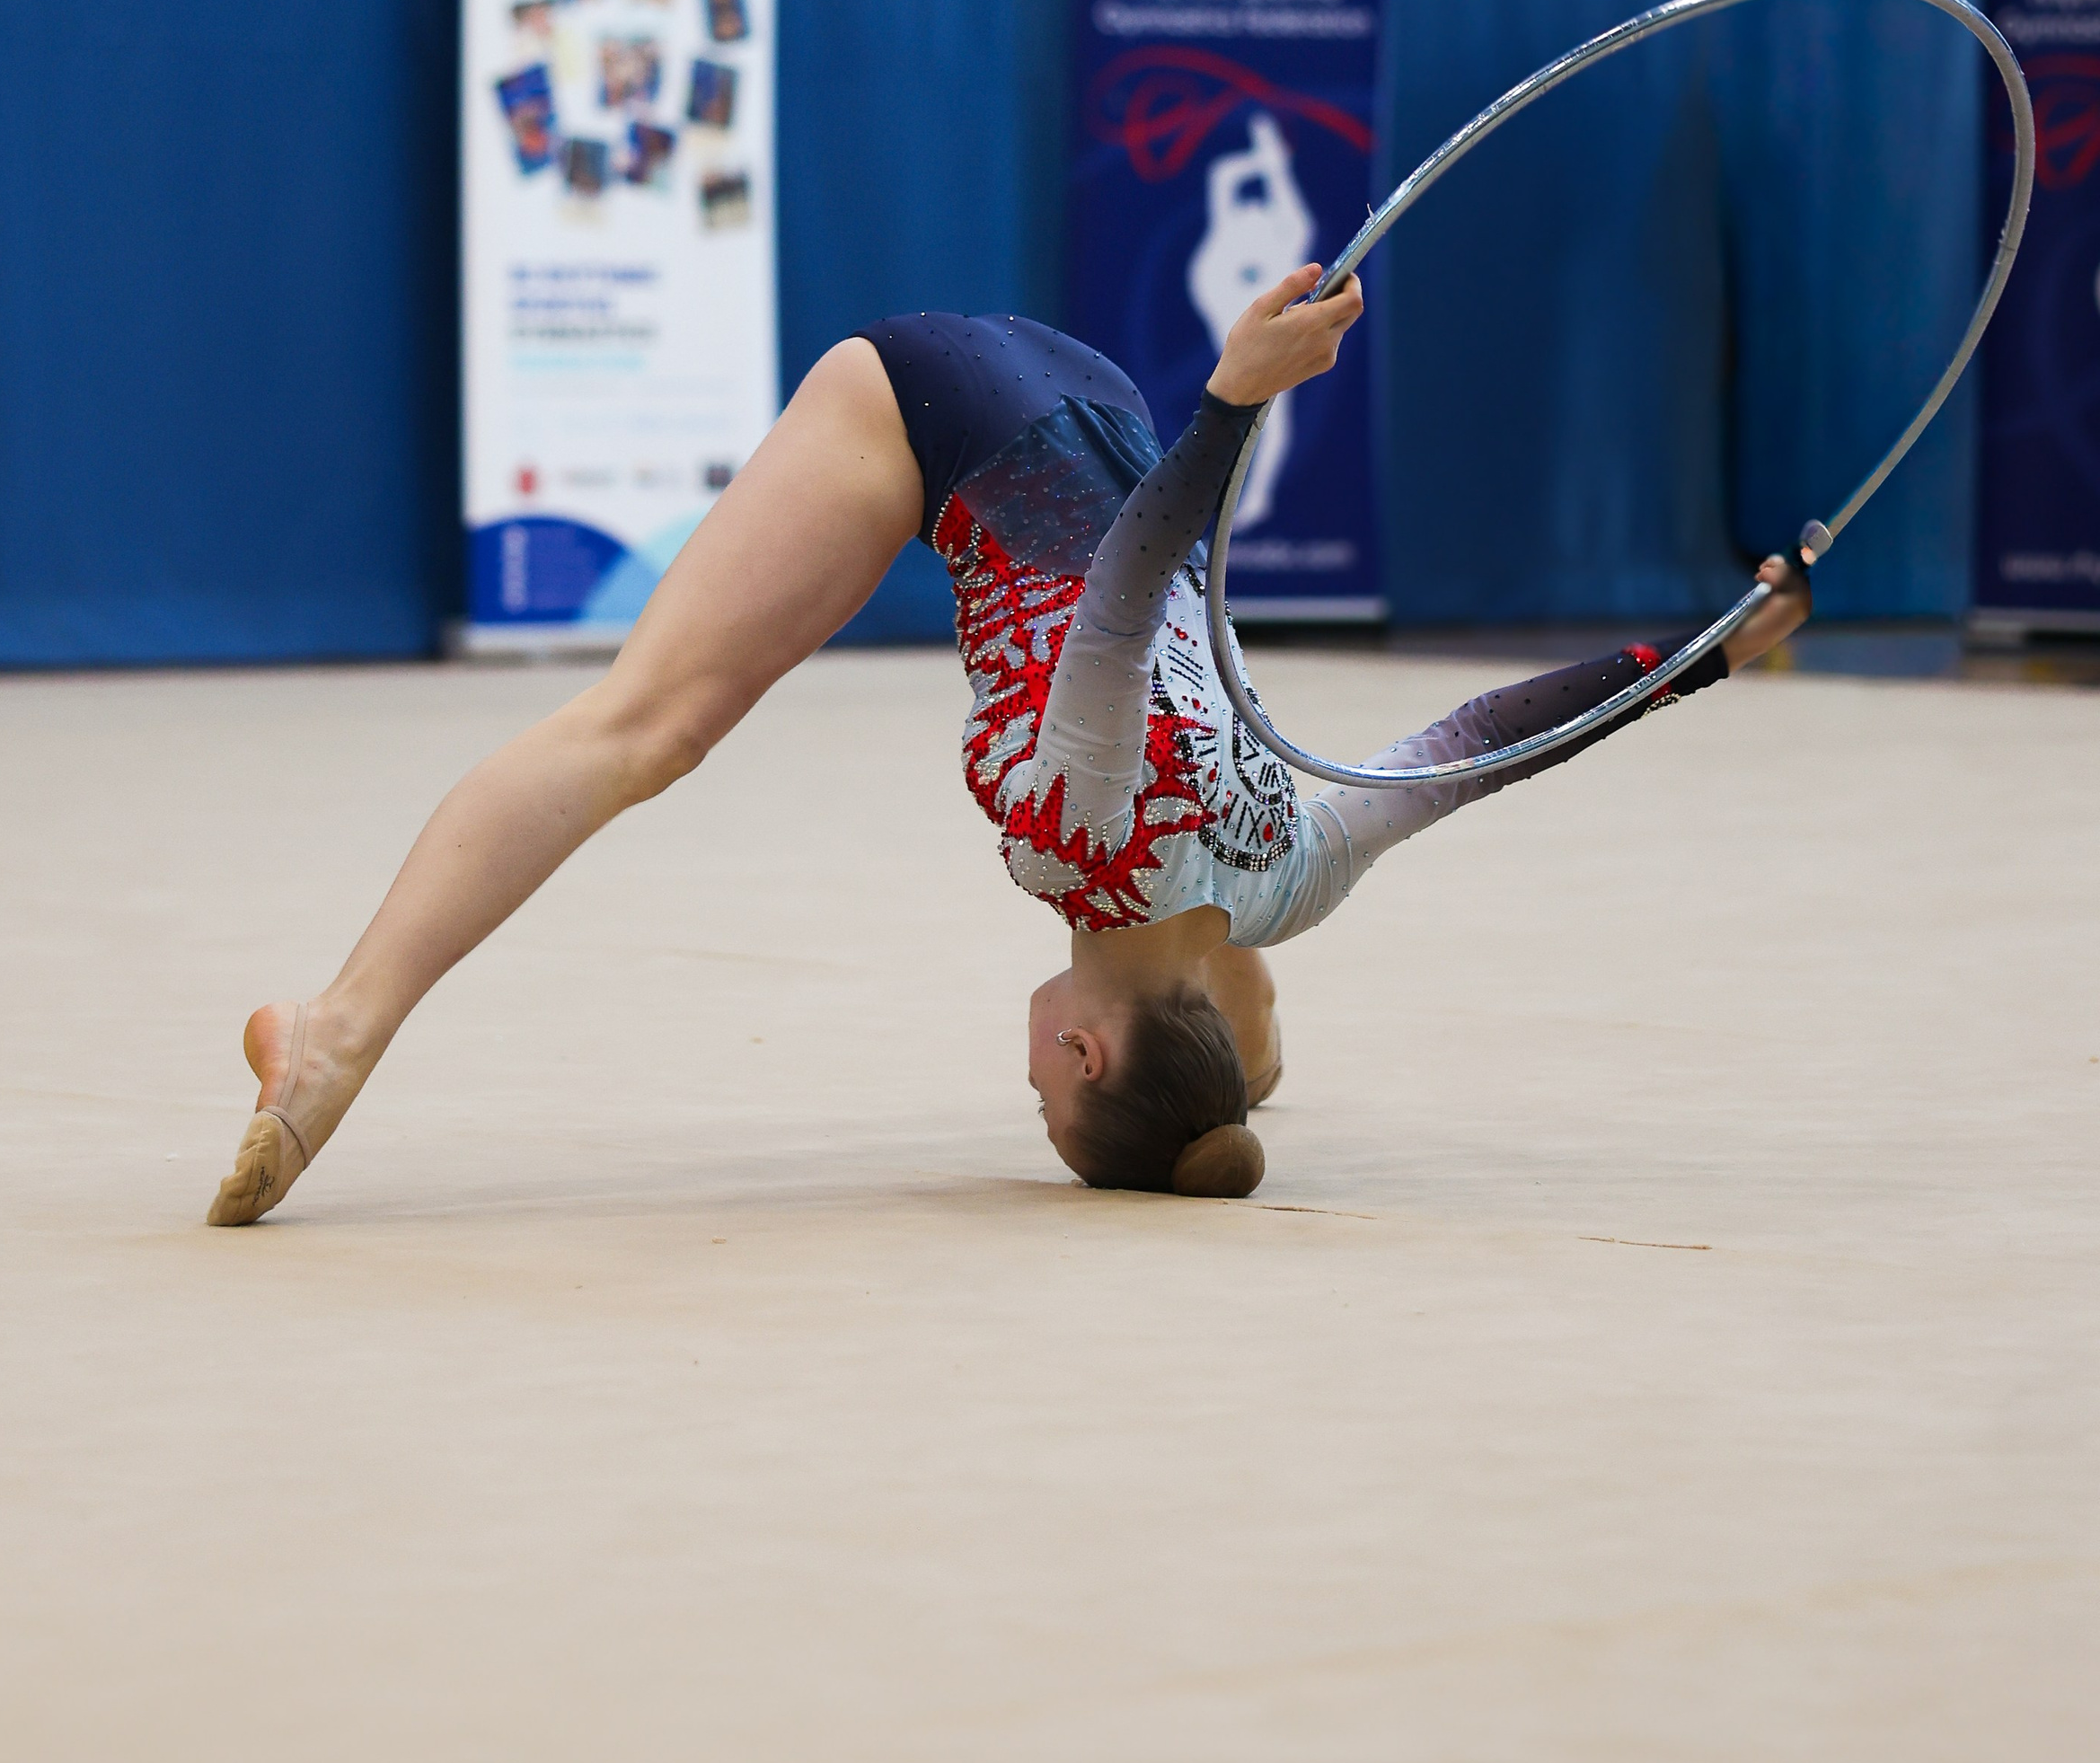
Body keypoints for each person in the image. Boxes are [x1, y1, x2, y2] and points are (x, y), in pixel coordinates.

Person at [207, 270, 1808, 1222]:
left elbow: (1478, 747)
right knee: (647, 725)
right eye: (1046, 1100)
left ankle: (1243, 1056)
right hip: (951, 412)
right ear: (1084, 1054)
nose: (1026, 1079)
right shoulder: (1077, 828)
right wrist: (1235, 401)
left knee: (1239, 979)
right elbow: (1117, 603)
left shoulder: (1299, 877)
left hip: (1096, 406)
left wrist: (1704, 655)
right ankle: (332, 1039)